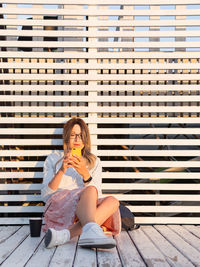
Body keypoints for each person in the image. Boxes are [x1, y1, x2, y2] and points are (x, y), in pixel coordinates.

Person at [41, 117, 121, 249]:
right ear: (66, 138)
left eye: (81, 135)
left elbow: (97, 195)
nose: (78, 140)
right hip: (60, 206)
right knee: (89, 190)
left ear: (85, 138)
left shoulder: (94, 162)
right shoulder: (54, 158)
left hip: (83, 211)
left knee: (113, 201)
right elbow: (45, 196)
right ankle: (90, 231)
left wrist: (85, 173)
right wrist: (62, 170)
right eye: (73, 135)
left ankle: (65, 235)